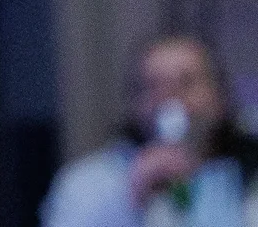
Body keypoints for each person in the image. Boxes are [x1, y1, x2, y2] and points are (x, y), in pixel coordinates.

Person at [43, 33, 258, 227]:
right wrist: (129, 202)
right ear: (134, 104)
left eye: (187, 82)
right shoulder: (89, 183)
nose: (170, 96)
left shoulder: (248, 174)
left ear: (220, 97)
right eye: (153, 85)